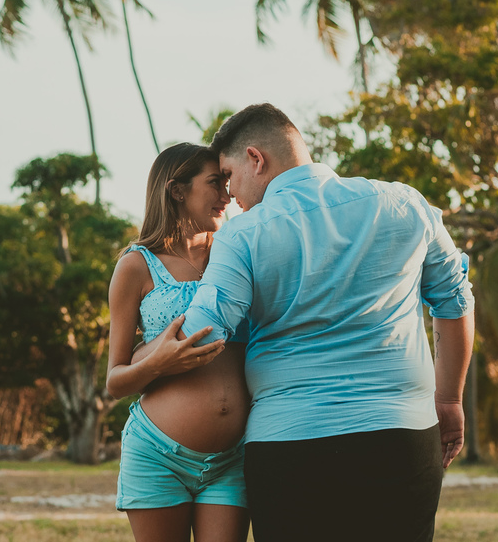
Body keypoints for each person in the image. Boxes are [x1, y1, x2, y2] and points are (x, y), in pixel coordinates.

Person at [180, 103, 475, 542]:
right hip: (401, 436)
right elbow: (454, 301)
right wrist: (448, 400)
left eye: (228, 176)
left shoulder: (242, 235)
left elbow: (202, 333)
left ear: (256, 159)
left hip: (289, 445)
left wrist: (135, 360)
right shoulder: (403, 203)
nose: (230, 194)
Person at [105, 142, 250, 542]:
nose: (227, 195)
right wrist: (156, 364)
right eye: (214, 184)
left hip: (232, 459)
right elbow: (115, 381)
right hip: (157, 456)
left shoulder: (237, 254)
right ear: (177, 191)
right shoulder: (136, 266)